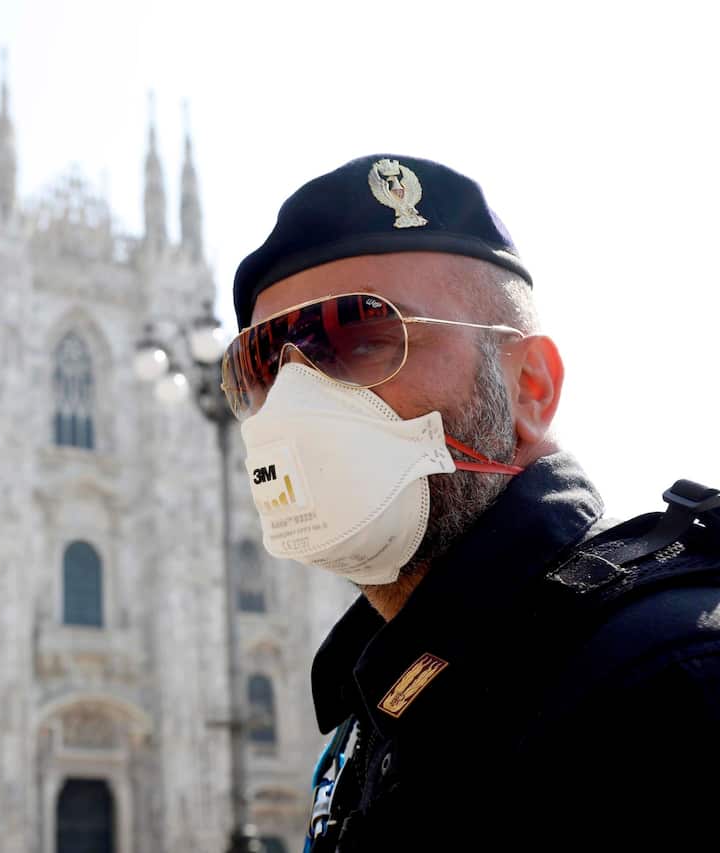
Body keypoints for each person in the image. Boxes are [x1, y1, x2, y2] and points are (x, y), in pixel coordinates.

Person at [225, 155, 720, 851]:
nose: (292, 409)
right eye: (261, 368)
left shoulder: (669, 681)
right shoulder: (375, 706)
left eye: (360, 337)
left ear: (530, 387)